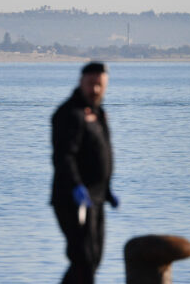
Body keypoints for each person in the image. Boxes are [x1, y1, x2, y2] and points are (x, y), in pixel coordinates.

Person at [51, 62, 119, 284]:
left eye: (100, 85)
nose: (95, 90)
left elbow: (102, 154)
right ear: (81, 82)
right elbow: (64, 157)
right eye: (91, 84)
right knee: (84, 258)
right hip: (74, 200)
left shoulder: (99, 114)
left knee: (94, 257)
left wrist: (107, 190)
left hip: (96, 199)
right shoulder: (70, 113)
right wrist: (76, 186)